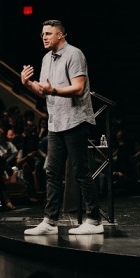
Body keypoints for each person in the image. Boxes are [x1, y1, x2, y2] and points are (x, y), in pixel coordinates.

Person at [21, 19, 102, 236]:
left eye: (48, 33)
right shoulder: (46, 58)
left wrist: (53, 90)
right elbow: (45, 90)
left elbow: (78, 88)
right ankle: (50, 221)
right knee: (52, 172)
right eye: (42, 34)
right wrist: (28, 84)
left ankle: (94, 220)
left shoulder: (74, 54)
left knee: (81, 171)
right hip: (56, 122)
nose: (44, 37)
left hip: (75, 120)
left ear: (61, 35)